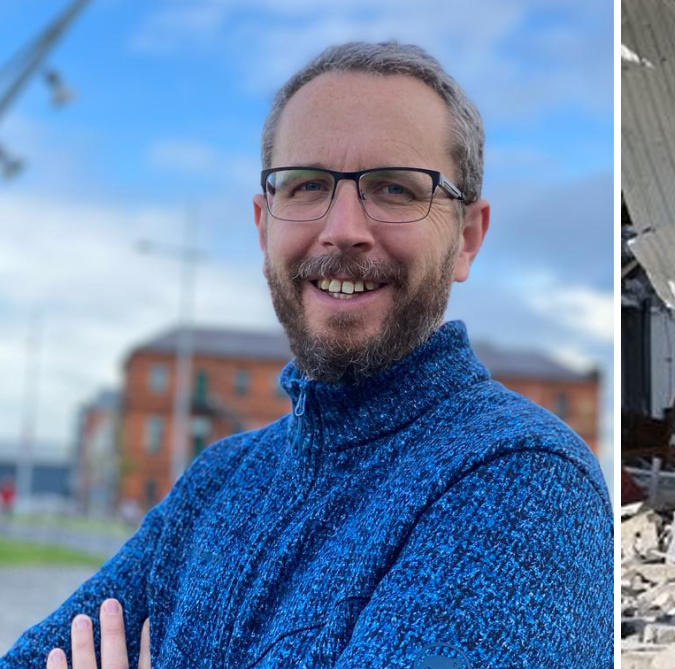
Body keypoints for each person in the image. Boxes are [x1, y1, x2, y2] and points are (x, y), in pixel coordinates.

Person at [0, 42, 612, 669]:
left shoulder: (521, 482)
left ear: (467, 239)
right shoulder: (218, 483)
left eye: (395, 188)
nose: (343, 226)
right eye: (307, 185)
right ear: (264, 224)